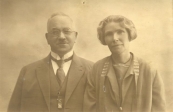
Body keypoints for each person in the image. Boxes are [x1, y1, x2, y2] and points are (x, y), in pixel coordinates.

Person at [8, 12, 93, 112]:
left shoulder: (92, 70)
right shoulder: (28, 71)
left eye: (67, 31)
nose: (61, 37)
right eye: (55, 32)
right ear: (47, 38)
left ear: (75, 36)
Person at [84, 15, 166, 112]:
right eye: (109, 34)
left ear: (129, 34)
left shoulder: (149, 70)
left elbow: (159, 109)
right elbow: (89, 109)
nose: (115, 38)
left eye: (120, 32)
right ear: (104, 39)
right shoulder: (96, 70)